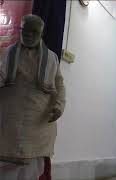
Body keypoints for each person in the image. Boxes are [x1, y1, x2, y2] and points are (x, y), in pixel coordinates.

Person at [0, 14, 65, 179]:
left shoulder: (52, 58)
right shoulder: (8, 53)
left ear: (42, 33)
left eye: (33, 32)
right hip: (8, 123)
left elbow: (59, 85)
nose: (28, 35)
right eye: (25, 31)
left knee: (31, 172)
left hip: (38, 126)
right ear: (20, 30)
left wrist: (59, 106)